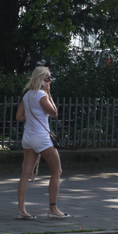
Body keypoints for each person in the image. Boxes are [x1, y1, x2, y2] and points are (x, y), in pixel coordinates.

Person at [15, 66, 69, 220]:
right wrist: (49, 94)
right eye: (47, 79)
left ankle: (21, 210)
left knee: (25, 174)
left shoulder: (27, 95)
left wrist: (32, 117)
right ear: (40, 79)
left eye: (50, 78)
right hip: (41, 138)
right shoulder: (41, 95)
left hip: (28, 137)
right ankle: (53, 209)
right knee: (56, 172)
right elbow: (54, 112)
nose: (49, 81)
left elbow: (19, 116)